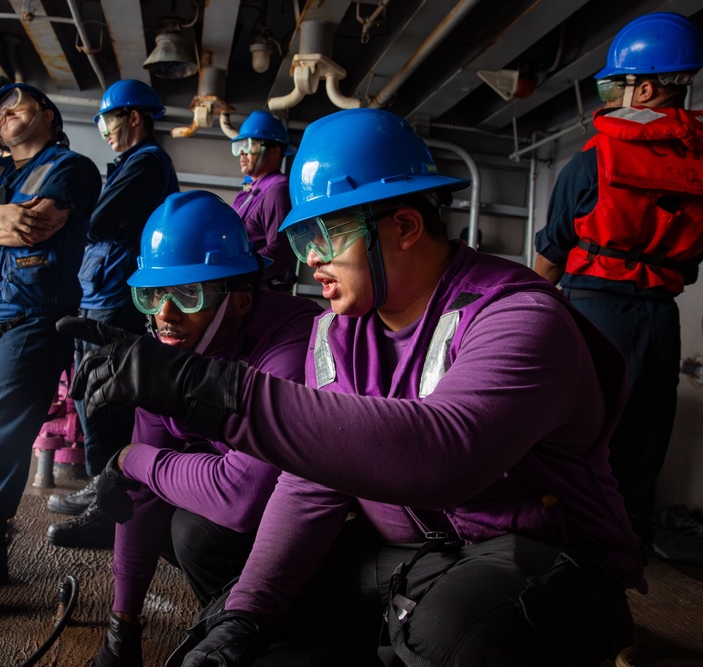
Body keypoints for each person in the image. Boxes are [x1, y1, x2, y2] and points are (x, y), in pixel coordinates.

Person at [70, 108, 645, 666]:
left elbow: (444, 455)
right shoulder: (336, 332)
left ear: (405, 226)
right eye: (303, 241)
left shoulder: (518, 318)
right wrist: (249, 613)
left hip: (540, 555)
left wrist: (208, 388)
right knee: (232, 631)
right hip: (409, 552)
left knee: (454, 634)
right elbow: (313, 484)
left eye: (326, 235)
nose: (312, 261)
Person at [57, 190, 322, 666]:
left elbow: (242, 498)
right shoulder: (170, 348)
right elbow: (138, 493)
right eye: (153, 293)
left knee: (195, 530)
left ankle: (272, 632)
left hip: (323, 533)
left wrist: (128, 459)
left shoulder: (291, 345)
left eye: (187, 294)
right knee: (154, 508)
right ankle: (232, 615)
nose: (164, 314)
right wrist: (123, 627)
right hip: (246, 502)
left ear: (240, 299)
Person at [534, 12, 703, 549]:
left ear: (647, 87)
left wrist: (531, 317)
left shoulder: (592, 161)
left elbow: (551, 254)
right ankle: (625, 553)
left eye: (615, 83)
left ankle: (563, 551)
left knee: (573, 435)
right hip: (661, 319)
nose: (607, 94)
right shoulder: (700, 168)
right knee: (644, 440)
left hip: (593, 313)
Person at [0, 83, 102, 614]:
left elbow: (37, 228)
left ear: (48, 114)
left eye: (16, 107)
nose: (6, 117)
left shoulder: (71, 169)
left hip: (31, 318)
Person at [47, 79, 179, 549]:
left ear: (135, 118)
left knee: (105, 401)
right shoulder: (133, 164)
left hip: (115, 296)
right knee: (94, 399)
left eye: (108, 119)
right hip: (103, 288)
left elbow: (100, 220)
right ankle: (100, 486)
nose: (103, 129)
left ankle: (110, 512)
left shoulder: (145, 163)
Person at [230, 111, 297, 292]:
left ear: (274, 150)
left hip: (259, 294)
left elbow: (283, 250)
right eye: (239, 146)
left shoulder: (277, 191)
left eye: (250, 146)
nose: (241, 153)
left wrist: (238, 272)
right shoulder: (250, 189)